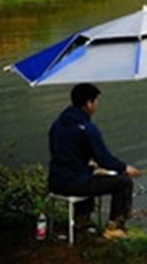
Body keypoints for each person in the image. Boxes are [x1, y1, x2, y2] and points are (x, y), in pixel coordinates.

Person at [48, 83, 140, 240]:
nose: (96, 105)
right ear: (88, 103)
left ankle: (81, 220)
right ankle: (114, 228)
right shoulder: (88, 128)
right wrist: (124, 168)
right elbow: (104, 158)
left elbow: (63, 153)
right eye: (96, 102)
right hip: (74, 184)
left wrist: (86, 162)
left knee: (88, 175)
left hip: (55, 182)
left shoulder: (57, 125)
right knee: (124, 183)